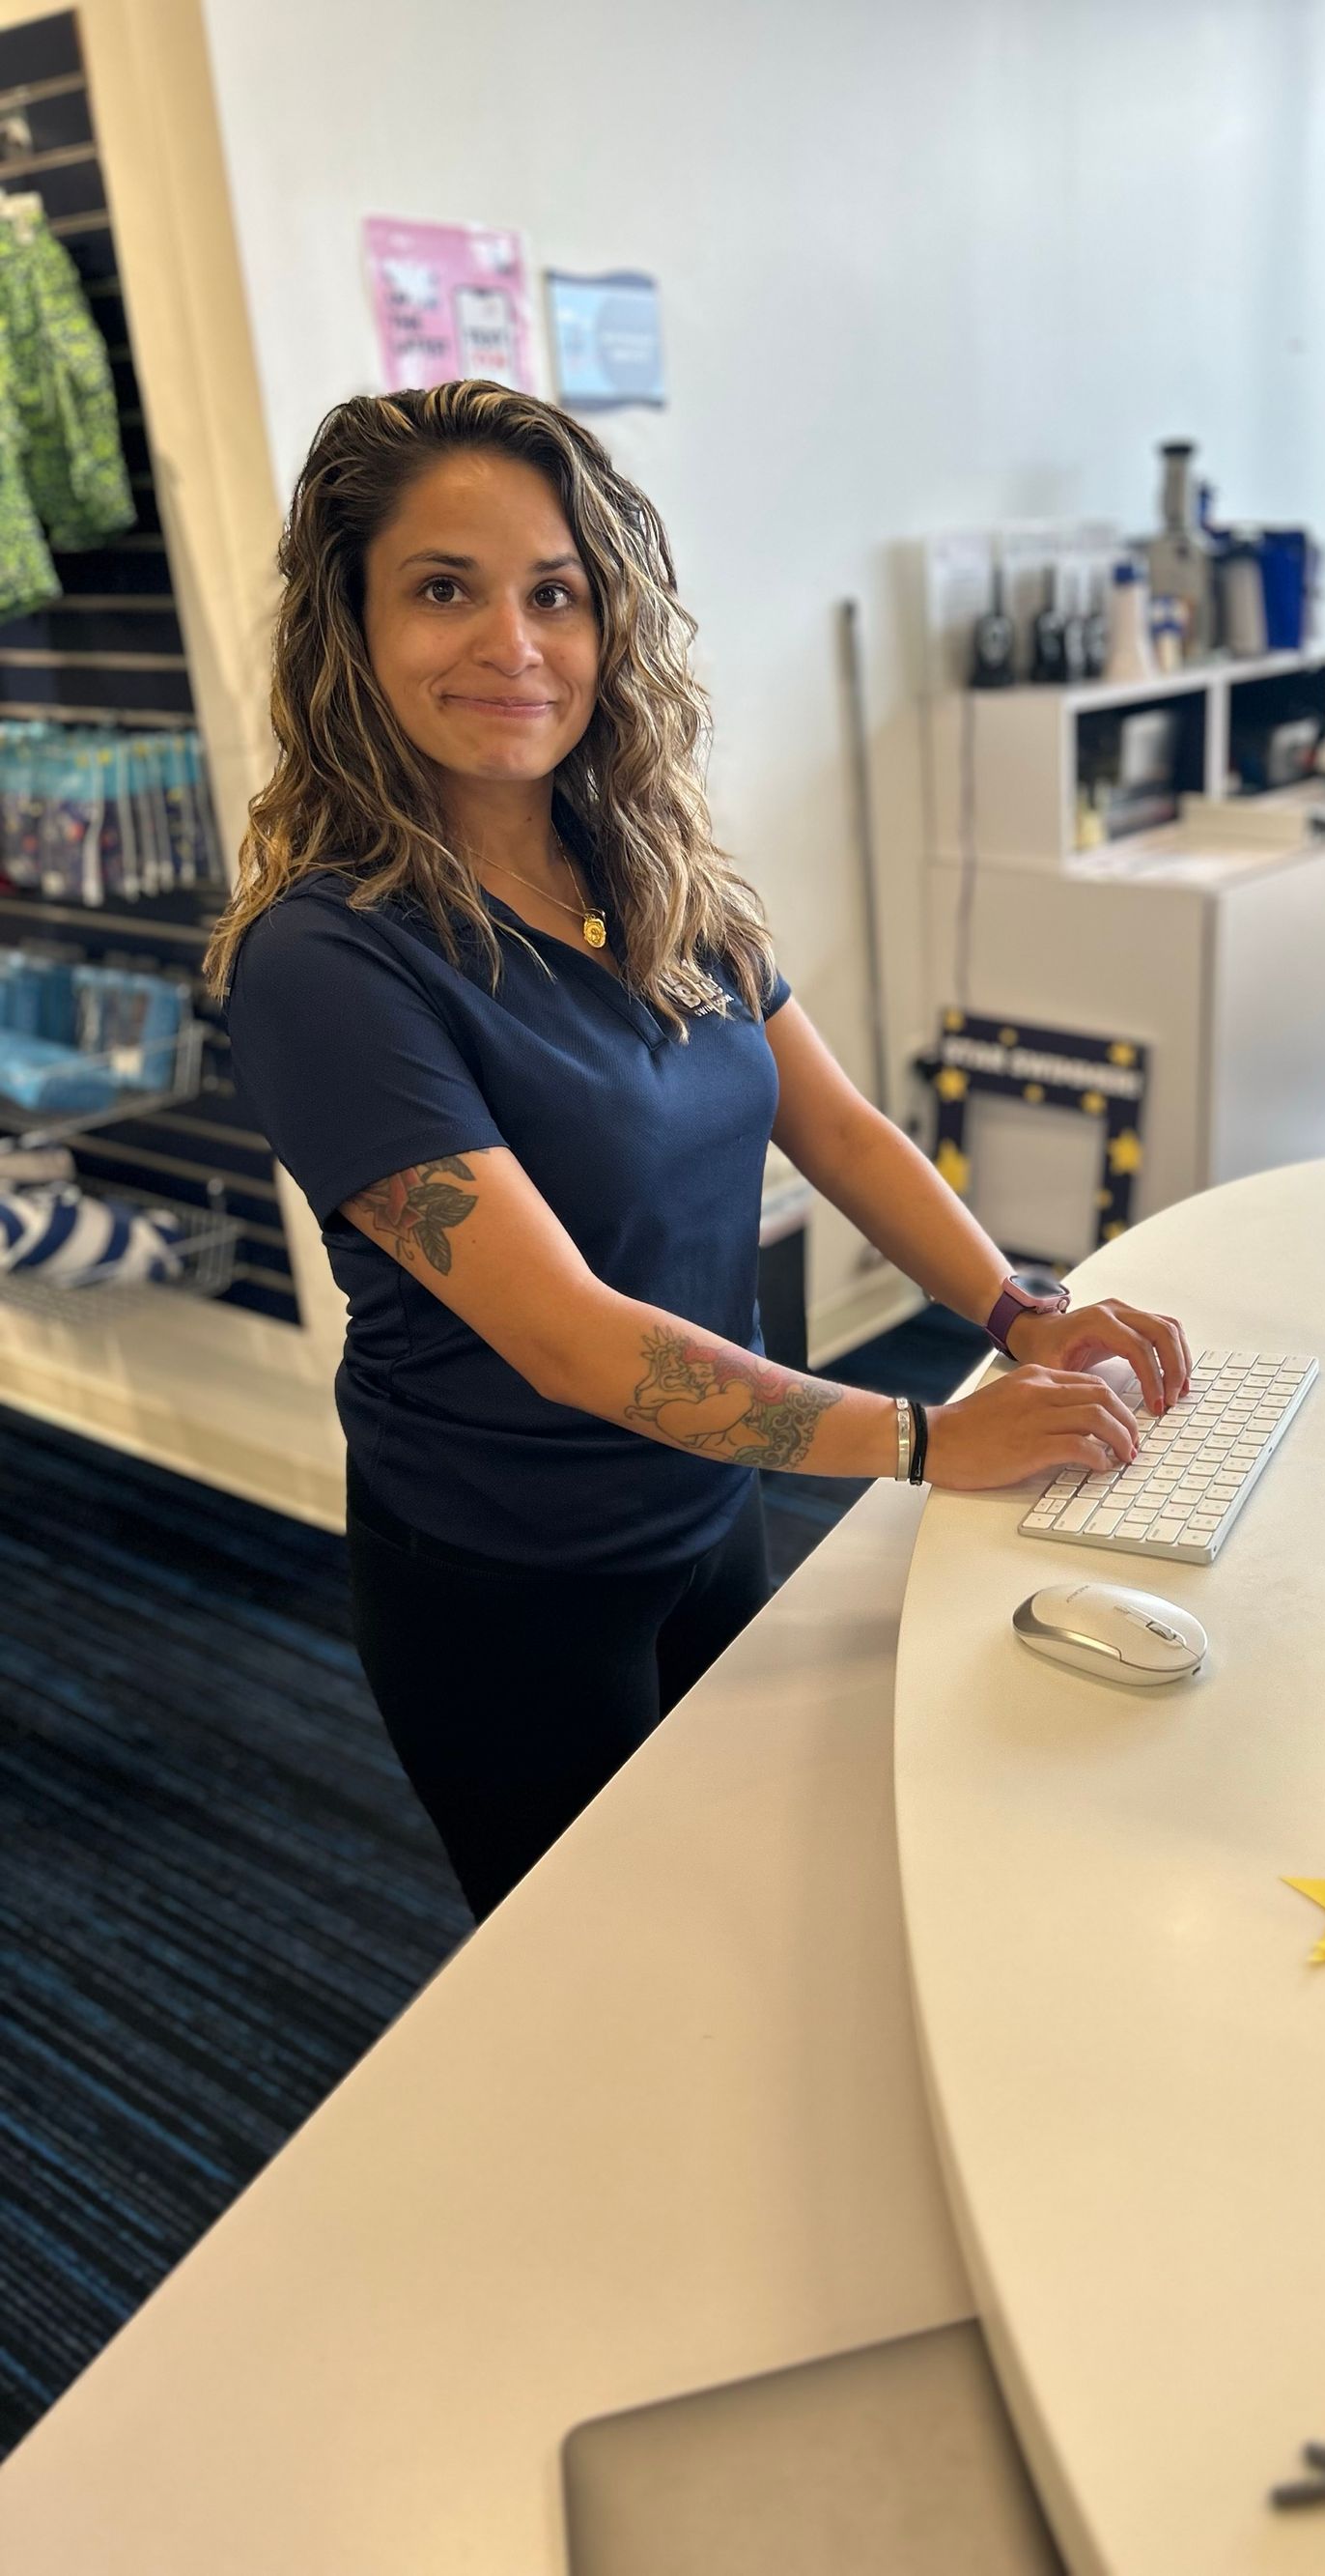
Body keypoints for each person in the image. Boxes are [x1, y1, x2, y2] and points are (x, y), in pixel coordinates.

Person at [209, 381, 1192, 1920]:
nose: (513, 645)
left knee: (750, 1901)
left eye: (556, 593)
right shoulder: (328, 967)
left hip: (709, 1500)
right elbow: (566, 1336)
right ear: (350, 624)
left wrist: (1021, 1312)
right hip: (502, 1576)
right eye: (443, 591)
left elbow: (847, 1133)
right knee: (588, 1967)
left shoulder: (649, 866)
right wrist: (931, 1439)